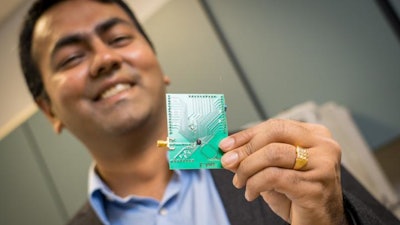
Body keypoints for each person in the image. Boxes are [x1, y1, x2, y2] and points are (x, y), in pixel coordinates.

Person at [18, 0, 399, 225]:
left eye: (119, 39)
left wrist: (330, 218)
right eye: (72, 57)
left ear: (158, 66)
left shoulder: (289, 162)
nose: (105, 59)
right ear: (48, 110)